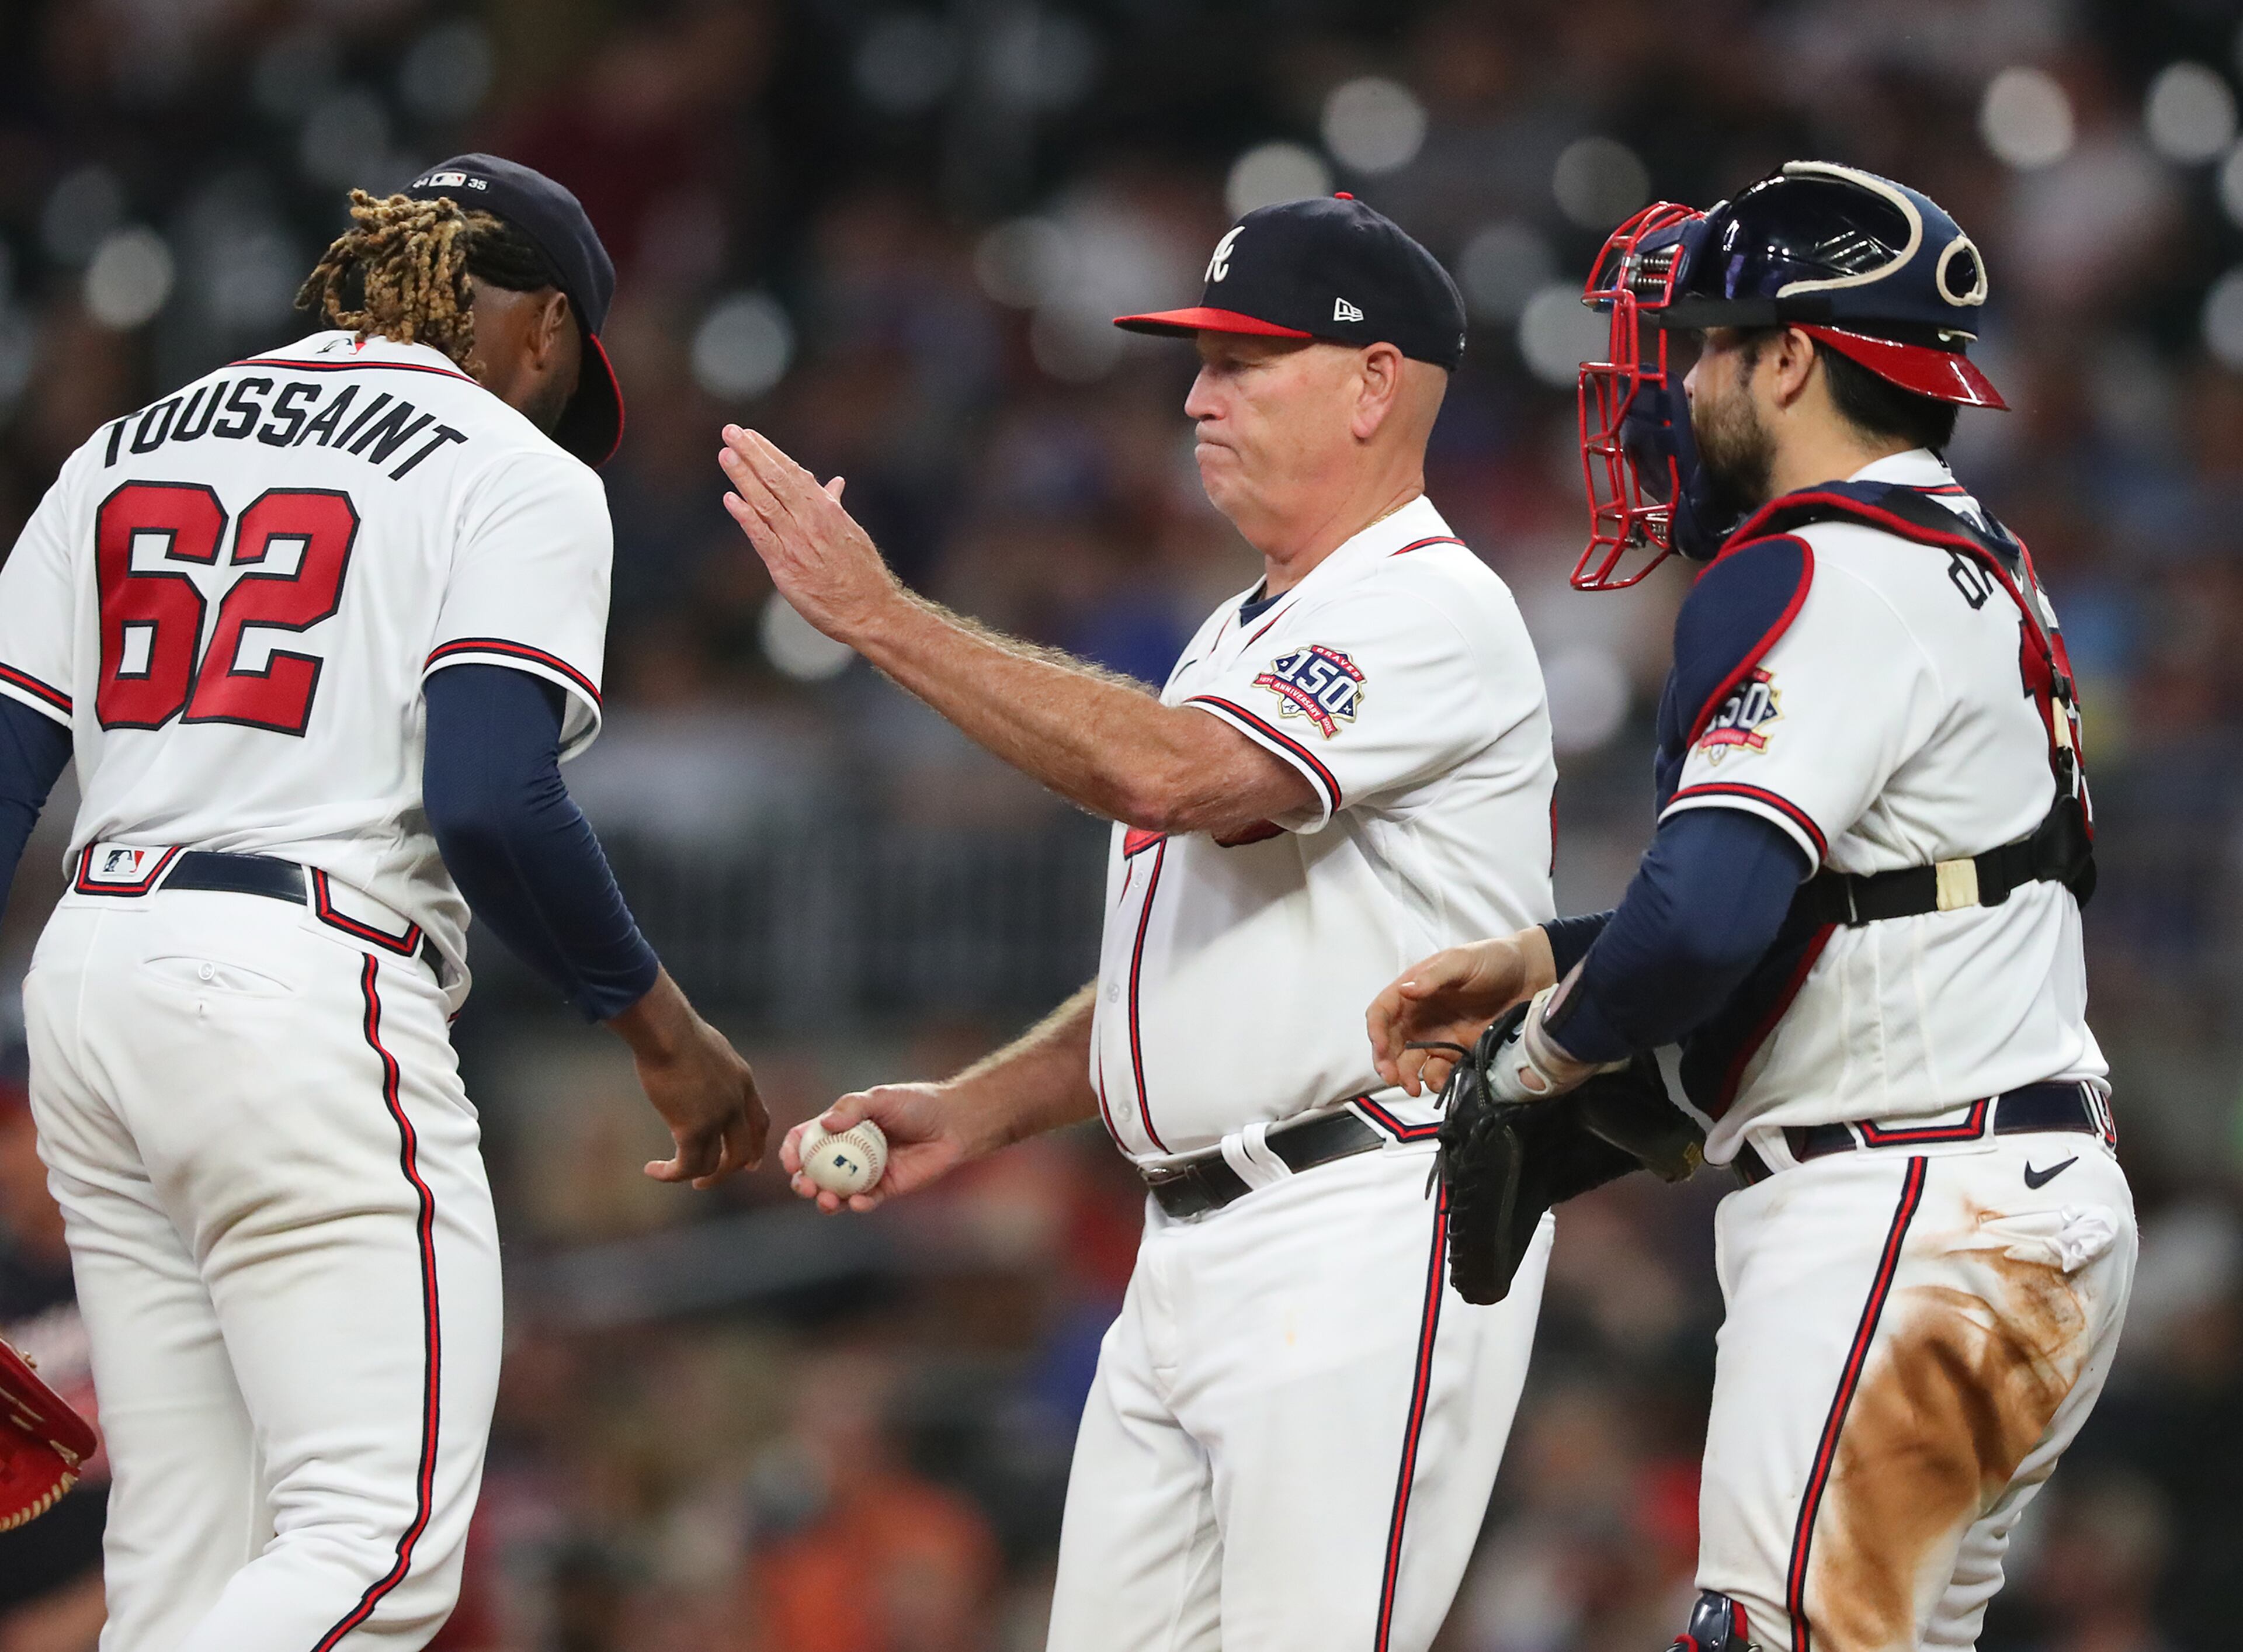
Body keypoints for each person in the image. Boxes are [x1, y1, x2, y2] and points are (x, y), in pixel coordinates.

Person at [718, 195, 1559, 1650]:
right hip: (1187, 1244)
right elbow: (1182, 971)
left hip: (1362, 1215)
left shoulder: (1434, 603)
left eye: (1245, 360)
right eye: (1202, 361)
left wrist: (882, 616)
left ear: (1374, 385)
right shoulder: (1240, 630)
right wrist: (978, 1108)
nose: (1196, 394)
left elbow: (1175, 778)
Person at [1367, 162, 2136, 1652]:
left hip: (1909, 1205)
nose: (1687, 380)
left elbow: (1714, 920)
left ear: (1793, 357)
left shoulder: (1816, 569)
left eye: (1717, 342)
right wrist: (1544, 959)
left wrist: (1535, 1064)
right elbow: (1845, 902)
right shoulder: (1971, 560)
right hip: (2009, 1198)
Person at [0, 154, 764, 1651]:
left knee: (190, 1550)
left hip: (90, 978)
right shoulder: (509, 465)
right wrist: (662, 1028)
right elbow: (493, 794)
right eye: (566, 372)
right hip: (297, 980)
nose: (560, 405)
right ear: (541, 324)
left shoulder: (123, 447)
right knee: (381, 1540)